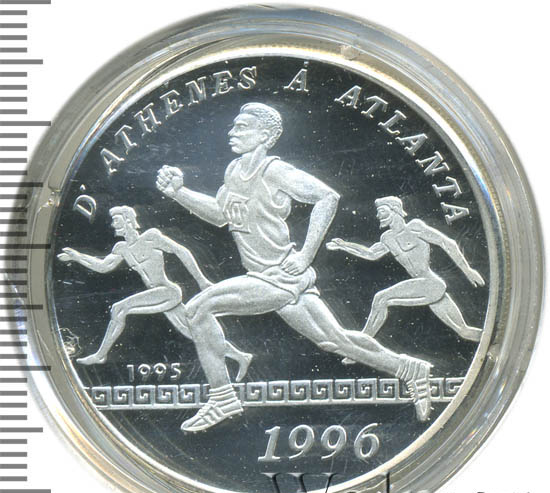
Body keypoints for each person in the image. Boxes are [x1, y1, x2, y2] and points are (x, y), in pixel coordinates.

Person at [156, 103, 433, 432]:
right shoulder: (233, 170)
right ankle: (409, 369)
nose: (231, 132)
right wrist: (179, 193)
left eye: (241, 127)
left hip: (278, 276)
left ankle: (222, 397)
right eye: (233, 126)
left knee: (198, 309)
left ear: (264, 135)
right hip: (269, 277)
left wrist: (304, 256)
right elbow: (221, 214)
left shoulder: (274, 171)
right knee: (336, 341)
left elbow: (327, 197)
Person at [57, 205, 252, 379]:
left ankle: (100, 355)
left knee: (119, 309)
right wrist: (78, 257)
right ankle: (241, 356)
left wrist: (201, 280)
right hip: (157, 295)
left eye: (116, 220)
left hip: (167, 291)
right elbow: (103, 266)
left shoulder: (151, 237)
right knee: (194, 332)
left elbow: (181, 251)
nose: (113, 225)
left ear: (128, 221)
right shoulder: (122, 248)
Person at [327, 196, 484, 364]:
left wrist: (468, 271)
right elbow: (371, 254)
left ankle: (360, 350)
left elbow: (447, 243)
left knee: (381, 298)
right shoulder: (387, 238)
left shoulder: (415, 227)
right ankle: (491, 337)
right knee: (464, 331)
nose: (378, 216)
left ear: (395, 210)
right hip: (426, 288)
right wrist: (344, 245)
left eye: (382, 211)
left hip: (431, 283)